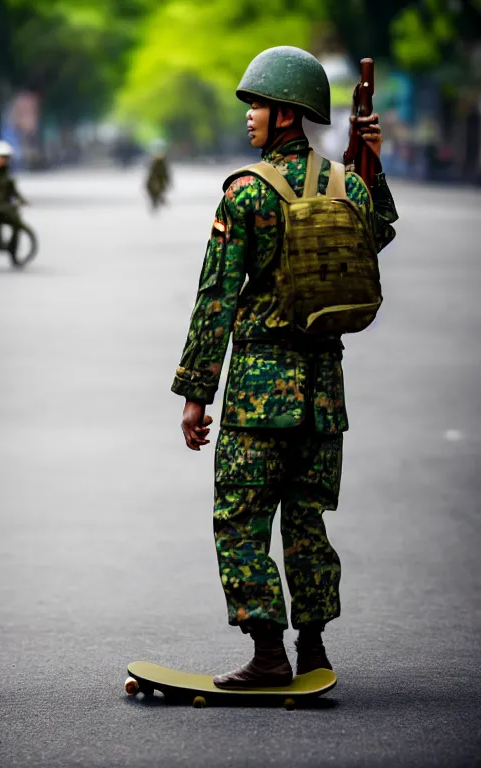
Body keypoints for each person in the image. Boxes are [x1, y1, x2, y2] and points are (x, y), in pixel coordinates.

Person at [171, 46, 398, 689]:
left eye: (259, 106)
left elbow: (215, 295)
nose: (250, 117)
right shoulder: (346, 185)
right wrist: (368, 165)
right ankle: (315, 651)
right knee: (306, 522)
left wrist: (195, 392)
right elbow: (376, 234)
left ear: (288, 115)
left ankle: (269, 653)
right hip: (324, 395)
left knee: (241, 518)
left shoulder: (247, 193)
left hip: (258, 396)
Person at [145, 139, 170, 210]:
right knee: (152, 189)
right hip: (155, 179)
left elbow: (165, 172)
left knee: (158, 189)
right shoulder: (155, 161)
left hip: (159, 178)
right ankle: (158, 199)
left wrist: (168, 180)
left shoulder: (161, 161)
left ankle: (158, 199)